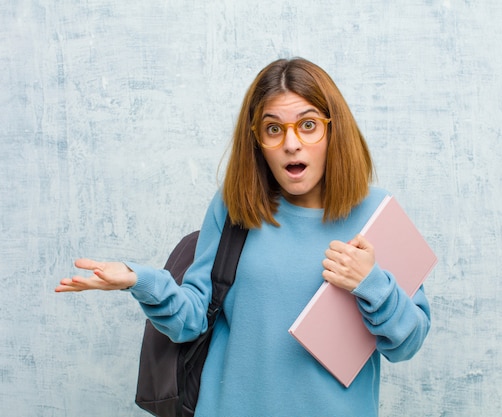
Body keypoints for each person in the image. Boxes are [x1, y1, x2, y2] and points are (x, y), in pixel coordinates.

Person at [56, 57, 431, 416]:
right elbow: (191, 320)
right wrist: (141, 281)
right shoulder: (236, 207)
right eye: (273, 128)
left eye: (308, 124)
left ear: (334, 129)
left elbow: (407, 345)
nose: (291, 143)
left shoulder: (377, 214)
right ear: (256, 141)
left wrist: (372, 284)